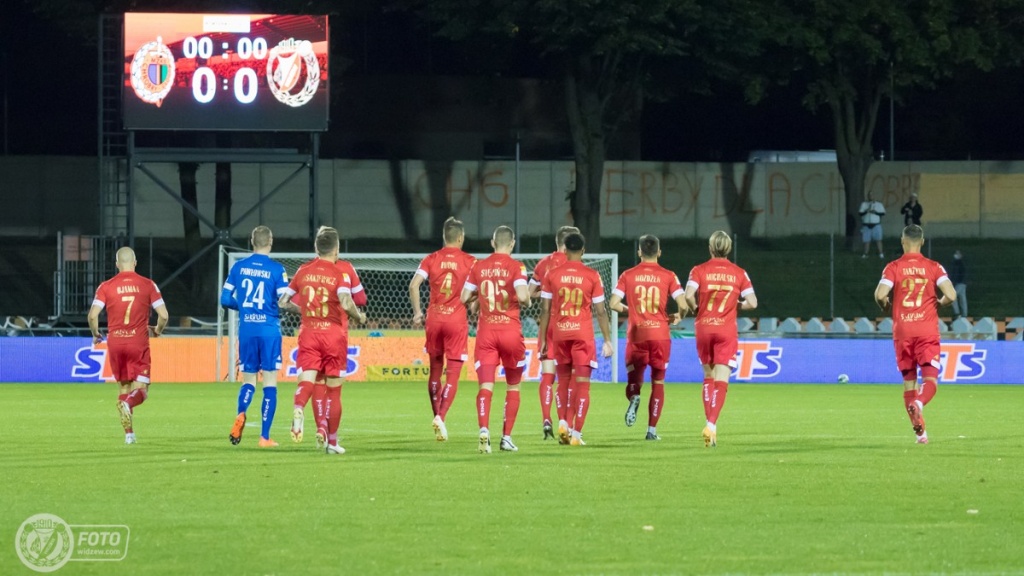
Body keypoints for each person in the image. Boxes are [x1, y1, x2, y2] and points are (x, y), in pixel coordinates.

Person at [279, 227, 367, 455]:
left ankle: (299, 408)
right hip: (334, 335)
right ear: (336, 249)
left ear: (316, 248)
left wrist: (306, 311)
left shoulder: (303, 270)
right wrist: (359, 317)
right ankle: (333, 442)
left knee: (308, 381)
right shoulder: (340, 273)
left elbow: (283, 302)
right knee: (334, 391)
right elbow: (347, 302)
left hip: (309, 333)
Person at [874, 225, 957, 444]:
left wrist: (885, 305)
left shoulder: (893, 267)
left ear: (903, 241)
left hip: (902, 333)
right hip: (926, 331)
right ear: (922, 242)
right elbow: (951, 294)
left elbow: (880, 294)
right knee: (930, 379)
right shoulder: (934, 267)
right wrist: (941, 303)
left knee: (909, 383)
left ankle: (921, 434)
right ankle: (920, 403)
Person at [537, 232, 614, 446]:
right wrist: (607, 340)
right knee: (582, 385)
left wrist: (543, 338)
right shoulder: (592, 275)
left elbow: (545, 310)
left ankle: (562, 421)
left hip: (560, 334)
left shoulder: (552, 274)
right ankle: (576, 434)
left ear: (564, 249)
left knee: (562, 382)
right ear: (582, 250)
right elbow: (600, 311)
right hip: (582, 335)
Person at [608, 234, 687, 441]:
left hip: (637, 335)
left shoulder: (627, 275)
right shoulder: (669, 275)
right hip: (660, 335)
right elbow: (684, 304)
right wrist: (679, 316)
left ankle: (634, 397)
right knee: (658, 382)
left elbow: (613, 303)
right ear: (659, 252)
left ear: (639, 252)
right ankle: (651, 431)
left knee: (634, 380)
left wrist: (630, 309)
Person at [87, 247, 169, 444]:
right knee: (141, 391)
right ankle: (129, 404)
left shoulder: (105, 286)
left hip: (115, 343)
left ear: (117, 264)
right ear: (135, 262)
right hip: (138, 343)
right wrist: (157, 330)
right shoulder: (148, 285)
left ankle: (129, 435)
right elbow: (164, 315)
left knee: (124, 387)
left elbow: (92, 316)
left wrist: (96, 334)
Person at [461, 225, 531, 453]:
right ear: (512, 244)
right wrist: (528, 300)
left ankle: (483, 431)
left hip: (486, 333)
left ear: (492, 242)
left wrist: (478, 297)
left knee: (486, 385)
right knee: (513, 386)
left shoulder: (478, 266)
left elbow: (463, 297)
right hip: (510, 332)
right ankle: (506, 437)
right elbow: (522, 296)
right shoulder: (517, 266)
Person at [684, 231, 757, 448]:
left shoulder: (699, 270)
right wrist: (735, 305)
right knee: (722, 379)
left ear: (710, 248)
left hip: (704, 327)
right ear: (729, 248)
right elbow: (752, 302)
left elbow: (688, 295)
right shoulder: (739, 273)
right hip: (726, 329)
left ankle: (710, 430)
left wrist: (697, 308)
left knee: (708, 376)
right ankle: (711, 424)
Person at [221, 226, 291, 448]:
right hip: (269, 331)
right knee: (270, 381)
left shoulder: (238, 267)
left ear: (251, 241)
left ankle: (241, 413)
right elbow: (284, 302)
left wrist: (242, 307)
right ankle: (265, 437)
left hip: (247, 330)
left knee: (249, 380)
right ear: (271, 241)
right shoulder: (277, 270)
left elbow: (224, 299)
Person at [408, 217, 476, 442]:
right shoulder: (470, 261)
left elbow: (414, 284)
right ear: (460, 237)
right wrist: (474, 306)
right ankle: (441, 416)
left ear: (444, 237)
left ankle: (436, 414)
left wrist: (417, 312)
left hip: (434, 320)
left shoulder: (431, 259)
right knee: (453, 374)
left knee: (435, 371)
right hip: (456, 321)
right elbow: (478, 291)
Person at [527, 225, 580, 439]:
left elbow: (529, 295)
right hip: (570, 325)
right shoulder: (574, 263)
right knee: (569, 377)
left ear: (556, 242)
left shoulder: (543, 264)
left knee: (547, 375)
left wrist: (544, 292)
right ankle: (565, 422)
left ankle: (546, 418)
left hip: (547, 325)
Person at [859, 191, 886, 258]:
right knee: (866, 240)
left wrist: (875, 212)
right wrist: (866, 211)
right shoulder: (864, 204)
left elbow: (883, 213)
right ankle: (865, 253)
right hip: (866, 224)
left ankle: (881, 253)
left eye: (872, 195)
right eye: (869, 195)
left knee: (878, 239)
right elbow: (860, 213)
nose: (871, 197)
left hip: (876, 224)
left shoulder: (879, 204)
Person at [948, 250, 968, 320]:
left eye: (957, 254)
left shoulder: (958, 263)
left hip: (960, 283)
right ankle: (964, 314)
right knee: (962, 298)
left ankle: (957, 313)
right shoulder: (960, 263)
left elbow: (956, 274)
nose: (955, 255)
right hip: (963, 283)